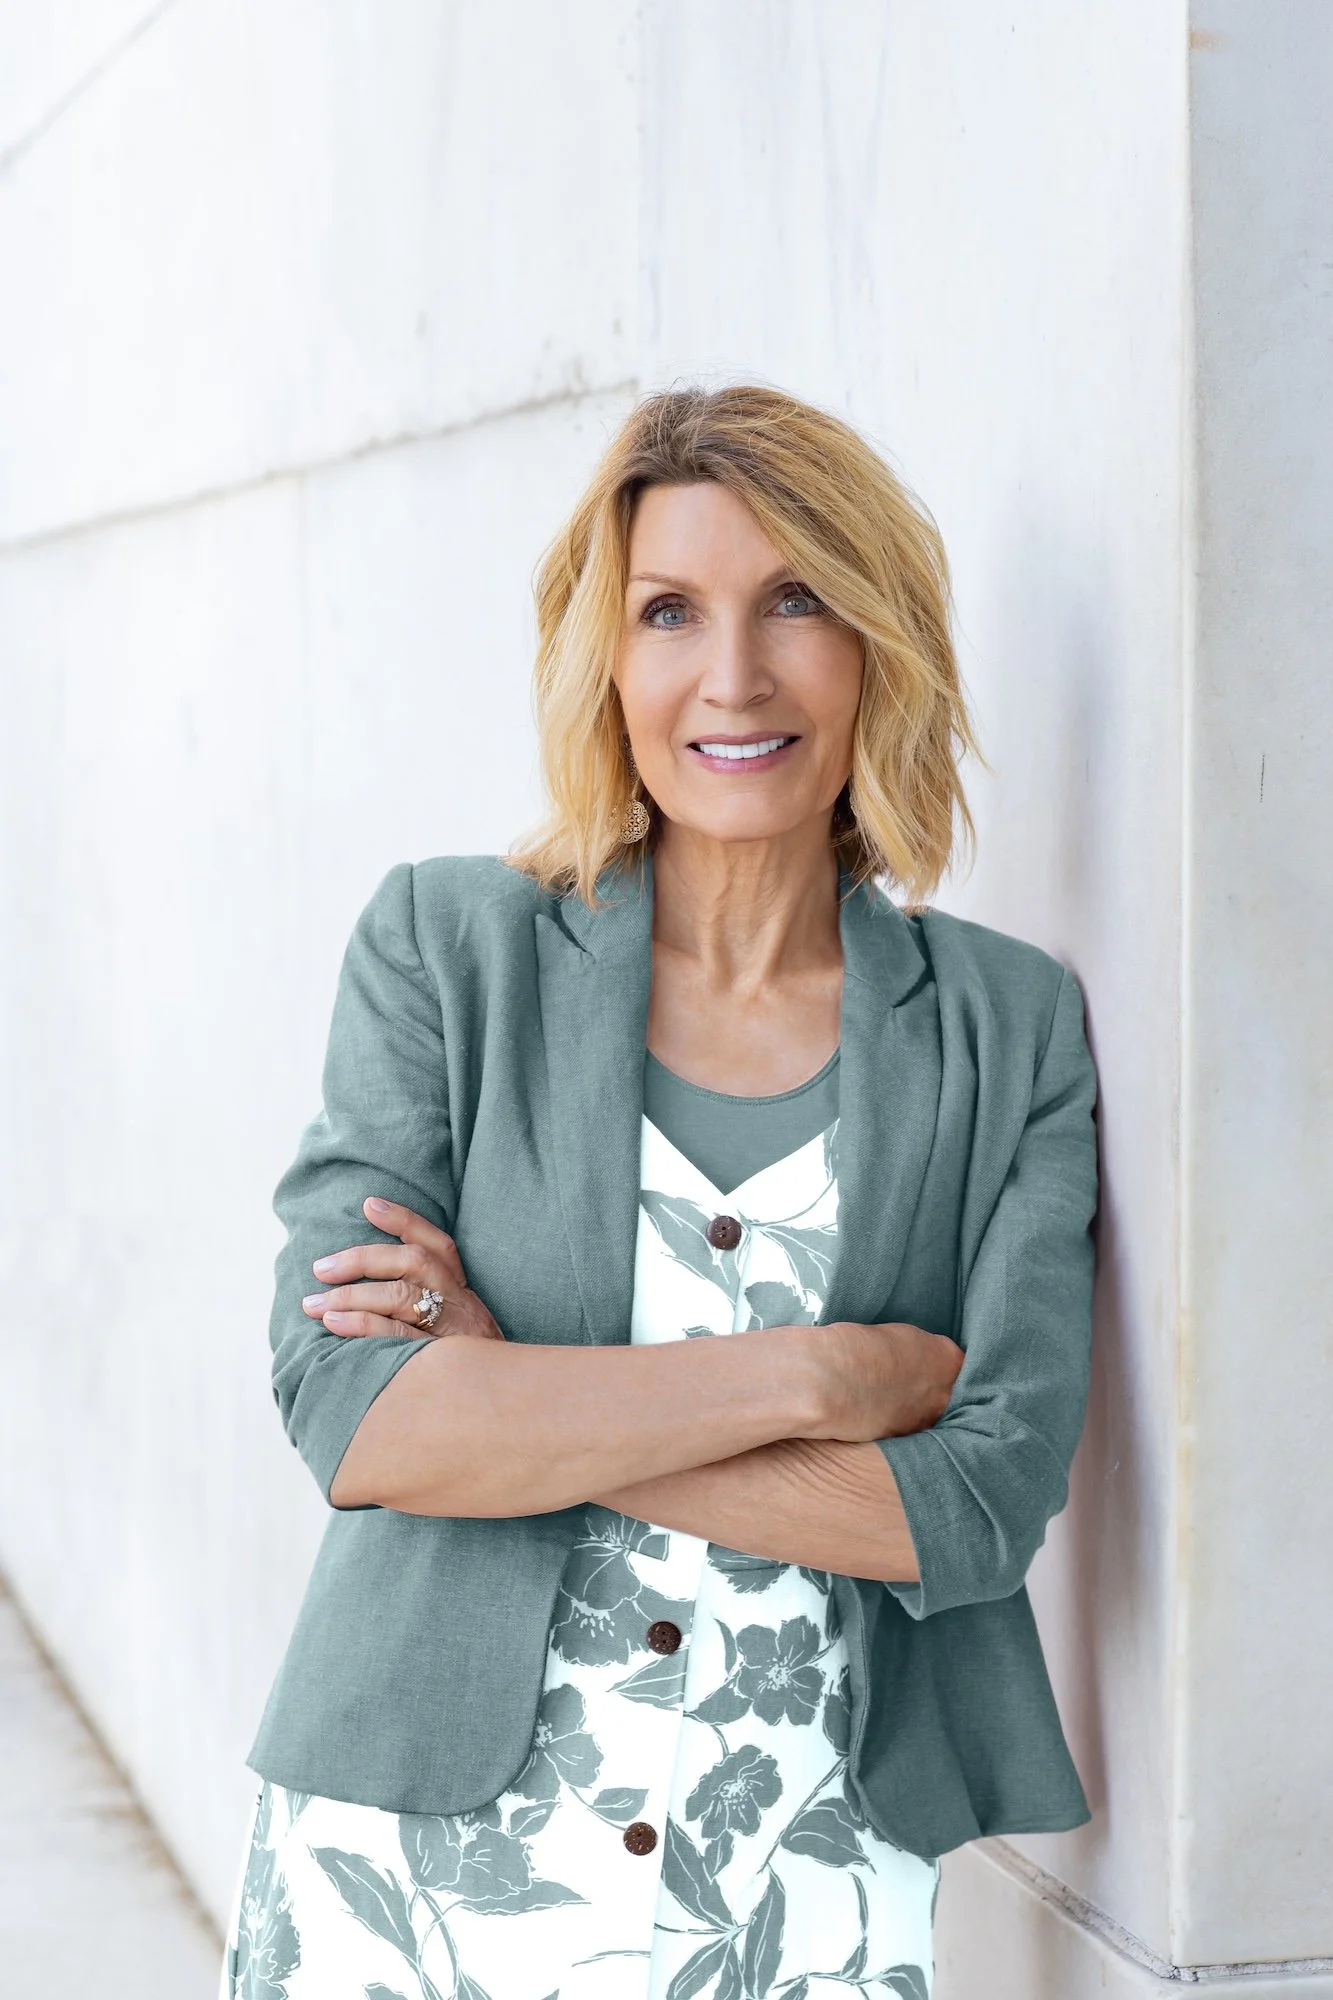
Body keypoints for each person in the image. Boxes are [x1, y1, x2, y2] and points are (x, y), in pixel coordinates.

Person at [218, 384, 1100, 2000]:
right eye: (670, 611)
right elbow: (360, 1415)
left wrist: (513, 1402)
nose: (734, 675)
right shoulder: (445, 949)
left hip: (810, 1876)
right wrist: (820, 1378)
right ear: (605, 658)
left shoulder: (1008, 1025)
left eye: (798, 602)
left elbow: (979, 1510)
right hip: (413, 1871)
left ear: (877, 641)